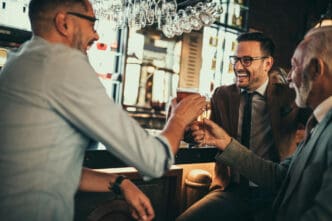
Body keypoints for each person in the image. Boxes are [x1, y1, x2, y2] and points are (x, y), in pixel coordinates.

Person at [0, 1, 207, 221]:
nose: (96, 34)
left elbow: (48, 169)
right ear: (64, 23)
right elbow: (154, 161)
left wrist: (120, 182)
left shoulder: (18, 62)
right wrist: (179, 118)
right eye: (91, 22)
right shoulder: (64, 64)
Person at [193, 26, 332, 221]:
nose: (289, 76)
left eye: (295, 65)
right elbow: (279, 176)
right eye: (236, 60)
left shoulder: (293, 99)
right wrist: (223, 141)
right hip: (232, 190)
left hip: (271, 199)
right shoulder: (318, 123)